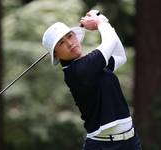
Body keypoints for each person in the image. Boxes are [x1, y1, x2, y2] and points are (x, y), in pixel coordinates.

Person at [42, 10, 142, 150]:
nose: (70, 43)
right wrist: (99, 22)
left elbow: (120, 56)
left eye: (70, 36)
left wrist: (104, 21)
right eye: (62, 43)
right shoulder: (79, 70)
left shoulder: (92, 64)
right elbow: (111, 40)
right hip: (105, 146)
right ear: (56, 54)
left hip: (131, 141)